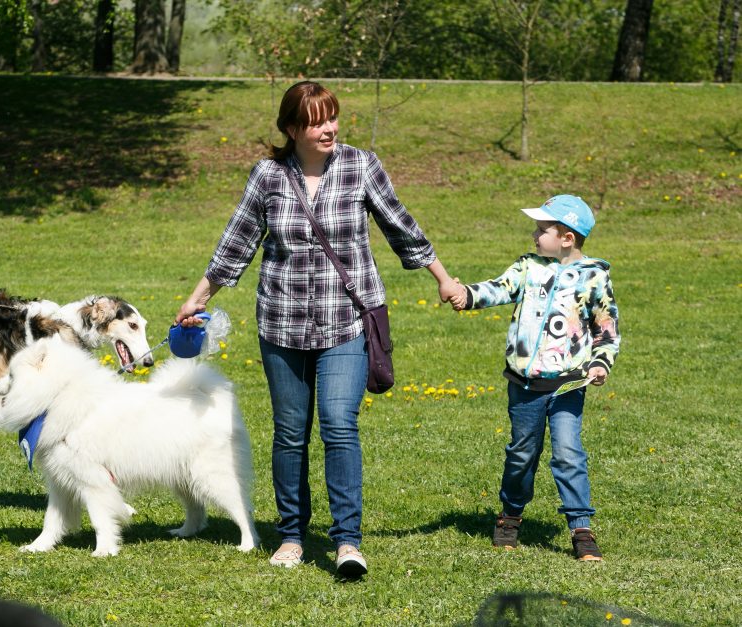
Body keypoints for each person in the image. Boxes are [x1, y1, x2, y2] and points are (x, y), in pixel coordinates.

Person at [175, 81, 462, 577]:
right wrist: (198, 297)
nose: (328, 128)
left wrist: (443, 279)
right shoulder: (268, 175)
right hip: (281, 323)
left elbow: (401, 224)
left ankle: (347, 541)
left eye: (332, 117)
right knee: (290, 434)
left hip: (345, 321)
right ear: (292, 129)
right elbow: (238, 240)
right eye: (315, 121)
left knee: (338, 425)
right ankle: (291, 536)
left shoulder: (360, 165)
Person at [448, 194, 620, 561]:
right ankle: (510, 515)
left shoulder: (594, 276)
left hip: (568, 383)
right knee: (522, 454)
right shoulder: (528, 267)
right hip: (524, 385)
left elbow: (607, 327)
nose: (534, 234)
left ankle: (581, 526)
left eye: (542, 229)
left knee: (569, 454)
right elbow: (498, 288)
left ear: (567, 237)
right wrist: (465, 294)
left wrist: (601, 363)